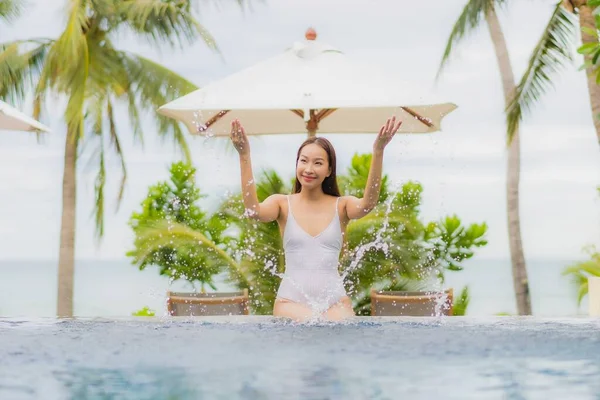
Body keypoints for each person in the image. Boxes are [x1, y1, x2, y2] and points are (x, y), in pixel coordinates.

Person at [230, 117, 402, 322]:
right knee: (314, 322)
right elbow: (253, 210)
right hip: (289, 303)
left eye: (318, 163)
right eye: (303, 161)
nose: (309, 169)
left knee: (331, 329)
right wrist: (244, 154)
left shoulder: (342, 206)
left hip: (335, 303)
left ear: (329, 170)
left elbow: (367, 203)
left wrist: (378, 151)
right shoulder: (282, 204)